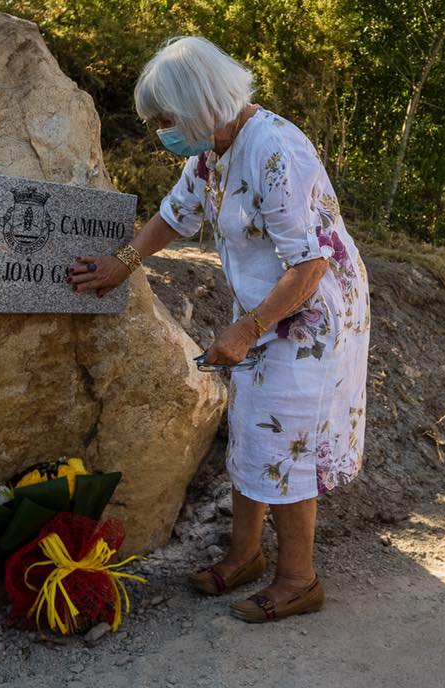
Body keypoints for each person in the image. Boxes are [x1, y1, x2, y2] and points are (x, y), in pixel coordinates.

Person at [69, 35, 370, 623]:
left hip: (309, 314)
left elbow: (310, 265)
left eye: (165, 118)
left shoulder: (274, 151)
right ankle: (245, 555)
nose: (161, 131)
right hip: (264, 313)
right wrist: (121, 265)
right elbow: (173, 213)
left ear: (201, 103)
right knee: (251, 428)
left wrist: (245, 331)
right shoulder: (212, 150)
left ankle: (298, 579)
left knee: (284, 438)